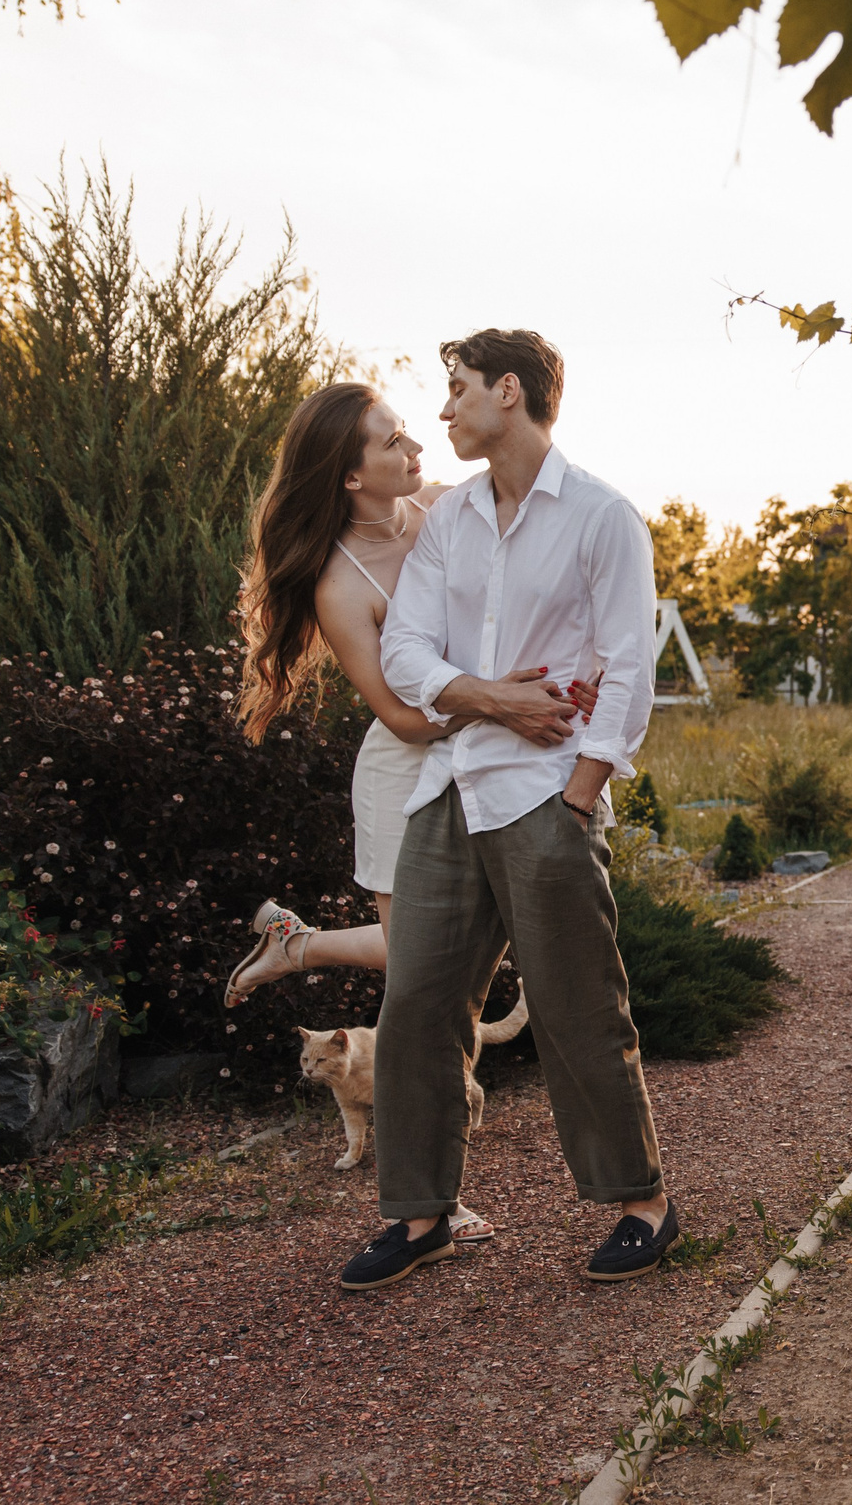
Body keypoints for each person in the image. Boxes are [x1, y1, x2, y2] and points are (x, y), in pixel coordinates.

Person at [334, 327, 671, 1294]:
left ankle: (642, 1203)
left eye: (458, 388)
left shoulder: (603, 517)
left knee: (576, 1003)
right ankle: (420, 1214)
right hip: (451, 787)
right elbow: (406, 651)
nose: (443, 411)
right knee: (416, 1004)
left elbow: (629, 669)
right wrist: (489, 697)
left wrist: (581, 793)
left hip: (545, 793)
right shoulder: (449, 521)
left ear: (510, 392)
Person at [225, 381, 593, 1245]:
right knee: (422, 978)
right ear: (351, 477)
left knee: (440, 968)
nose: (416, 447)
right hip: (406, 767)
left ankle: (299, 946)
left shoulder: (445, 507)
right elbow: (400, 715)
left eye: (405, 432)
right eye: (391, 442)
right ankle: (431, 1199)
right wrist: (498, 700)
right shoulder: (337, 583)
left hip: (489, 754)